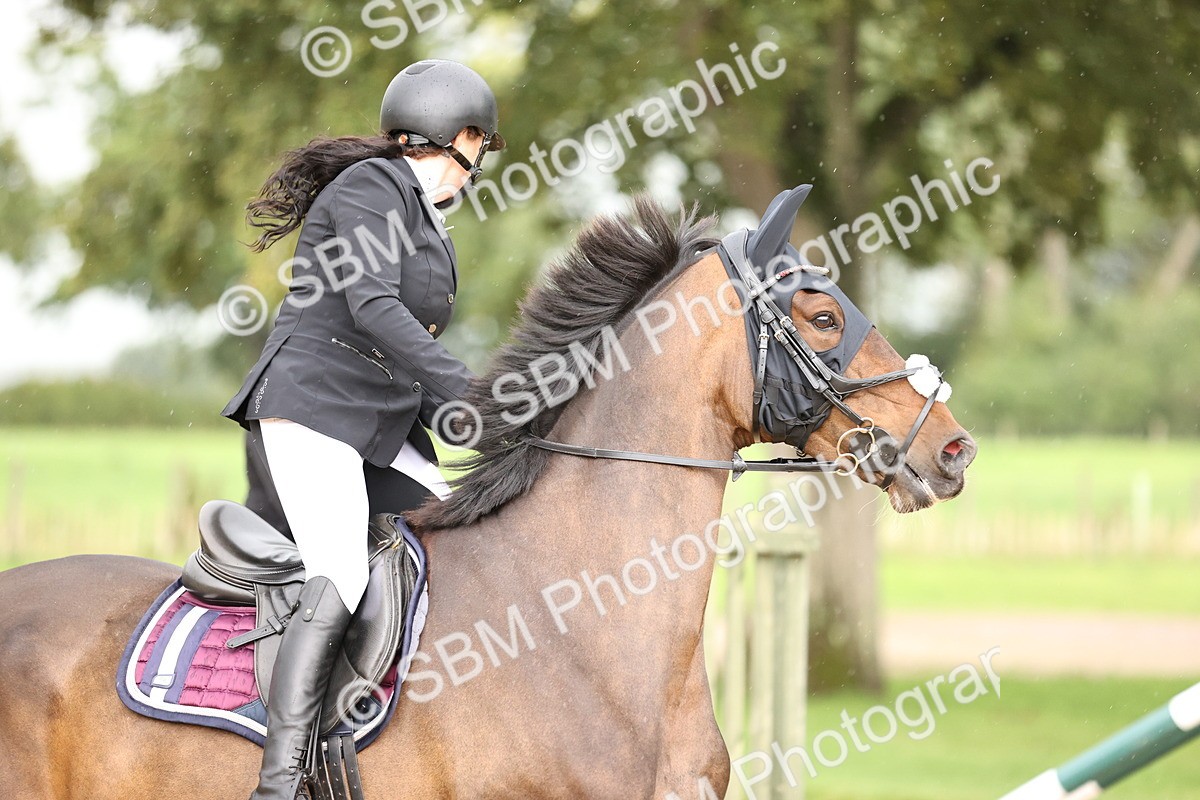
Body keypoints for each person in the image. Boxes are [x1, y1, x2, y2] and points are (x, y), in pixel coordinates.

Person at [220, 59, 504, 800]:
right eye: (478, 149)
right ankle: (280, 781)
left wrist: (502, 424)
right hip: (313, 409)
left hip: (378, 423)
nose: (475, 173)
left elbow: (404, 357)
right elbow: (376, 310)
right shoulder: (372, 188)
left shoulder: (419, 214)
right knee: (341, 570)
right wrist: (467, 388)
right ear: (459, 136)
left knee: (460, 540)